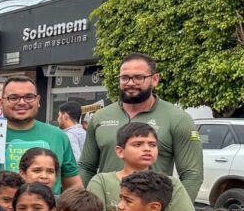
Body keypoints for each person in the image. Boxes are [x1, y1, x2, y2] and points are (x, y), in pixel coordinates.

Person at [79, 52, 204, 201]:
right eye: (125, 77)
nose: (130, 83)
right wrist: (86, 206)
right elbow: (86, 167)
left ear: (155, 79)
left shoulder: (177, 118)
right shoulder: (100, 117)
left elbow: (192, 175)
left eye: (139, 77)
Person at [87, 122, 195, 211]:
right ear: (120, 151)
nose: (147, 149)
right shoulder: (101, 181)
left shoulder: (170, 184)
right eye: (137, 144)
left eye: (152, 145)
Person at [0, 76, 82, 194]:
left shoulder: (58, 136)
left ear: (38, 101)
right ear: (1, 103)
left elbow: (74, 187)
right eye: (13, 98)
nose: (22, 102)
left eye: (29, 97)